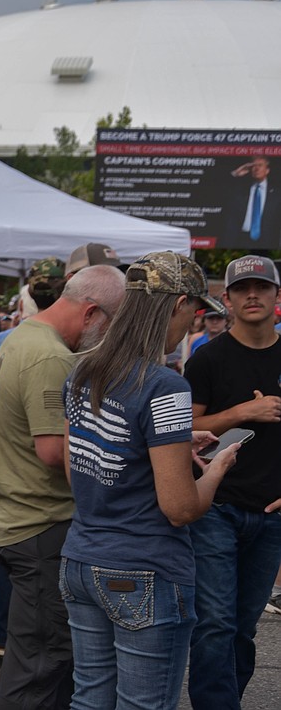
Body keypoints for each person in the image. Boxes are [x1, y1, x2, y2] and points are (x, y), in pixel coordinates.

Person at [61, 251, 237, 710]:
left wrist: (171, 445)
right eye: (195, 311)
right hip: (145, 567)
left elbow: (77, 468)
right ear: (178, 304)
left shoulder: (81, 370)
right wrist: (216, 469)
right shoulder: (167, 386)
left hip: (81, 559)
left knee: (90, 700)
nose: (193, 323)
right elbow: (180, 508)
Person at [0, 265, 125, 710]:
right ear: (91, 313)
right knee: (42, 663)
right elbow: (52, 450)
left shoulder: (22, 337)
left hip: (22, 518)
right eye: (111, 324)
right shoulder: (52, 356)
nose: (108, 336)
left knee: (39, 659)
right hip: (42, 522)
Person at [183, 254, 281, 708]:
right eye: (242, 289)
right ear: (227, 299)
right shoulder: (207, 358)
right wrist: (244, 412)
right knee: (215, 623)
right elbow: (186, 430)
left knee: (242, 627)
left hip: (271, 513)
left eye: (262, 287)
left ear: (278, 297)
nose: (253, 295)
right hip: (216, 507)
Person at [229, 156, 281, 247]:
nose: (256, 168)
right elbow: (222, 192)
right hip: (242, 239)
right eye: (253, 166)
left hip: (268, 241)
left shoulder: (277, 193)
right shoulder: (242, 190)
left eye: (260, 165)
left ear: (267, 170)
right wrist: (236, 174)